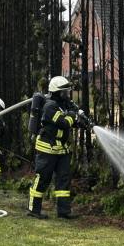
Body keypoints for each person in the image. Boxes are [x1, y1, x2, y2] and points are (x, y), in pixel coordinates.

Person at [27, 76, 83, 220]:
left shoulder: (64, 105)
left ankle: (64, 211)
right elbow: (63, 122)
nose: (67, 94)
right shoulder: (49, 106)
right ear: (57, 92)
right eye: (64, 91)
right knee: (42, 179)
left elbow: (73, 121)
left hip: (62, 150)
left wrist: (80, 119)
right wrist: (73, 116)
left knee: (63, 179)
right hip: (47, 149)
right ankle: (34, 209)